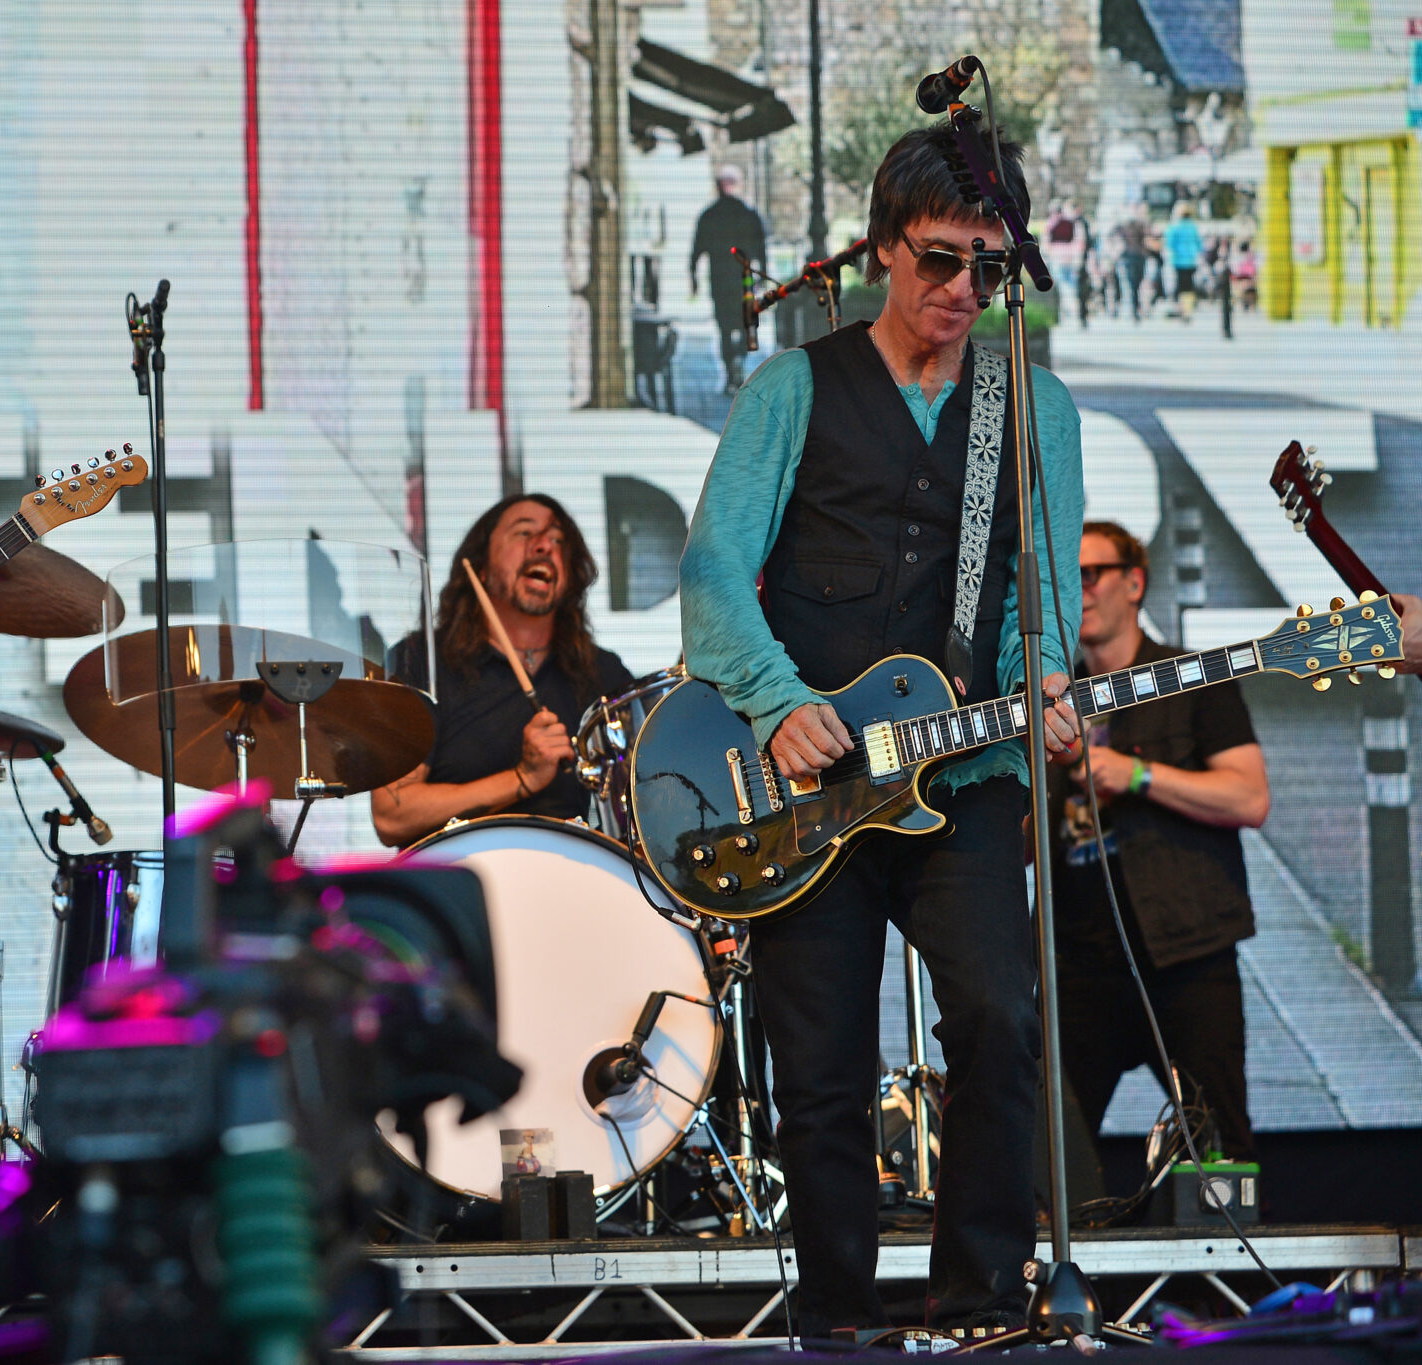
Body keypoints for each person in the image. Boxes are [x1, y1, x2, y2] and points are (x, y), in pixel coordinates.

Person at [678, 123, 1085, 1338]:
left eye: (985, 267)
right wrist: (777, 701)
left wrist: (1046, 694)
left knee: (1002, 1025)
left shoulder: (1033, 407)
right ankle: (840, 1325)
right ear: (880, 253)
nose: (961, 290)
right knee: (821, 1070)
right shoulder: (791, 388)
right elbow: (709, 575)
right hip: (808, 783)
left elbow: (1037, 604)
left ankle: (979, 1304)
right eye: (936, 261)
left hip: (959, 778)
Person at [1049, 522, 1268, 1166]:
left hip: (1185, 954)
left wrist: (1138, 775)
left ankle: (1232, 1269)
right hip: (1080, 963)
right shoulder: (1051, 700)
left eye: (1092, 574)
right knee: (1046, 1154)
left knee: (1221, 1149)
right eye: (1068, 578)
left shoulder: (1195, 677)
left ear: (1135, 583)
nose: (1079, 591)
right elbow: (1028, 847)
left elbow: (1250, 797)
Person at [374, 495, 635, 847]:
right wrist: (521, 778)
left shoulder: (602, 672)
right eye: (524, 533)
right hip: (458, 884)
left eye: (558, 540)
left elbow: (644, 799)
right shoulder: (423, 660)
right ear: (480, 567)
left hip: (573, 882)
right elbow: (391, 814)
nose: (544, 545)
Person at [691, 165, 769, 392]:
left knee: (726, 326)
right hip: (742, 280)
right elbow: (761, 247)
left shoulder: (710, 215)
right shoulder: (749, 213)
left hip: (721, 279)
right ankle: (736, 363)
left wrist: (693, 276)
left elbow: (697, 250)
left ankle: (731, 367)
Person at [1163, 201, 1204, 320]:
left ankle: (1181, 309)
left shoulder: (1175, 226)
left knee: (1180, 286)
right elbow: (1199, 245)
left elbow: (1169, 243)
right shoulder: (1193, 227)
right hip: (1191, 261)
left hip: (1179, 261)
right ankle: (1187, 310)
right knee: (1189, 286)